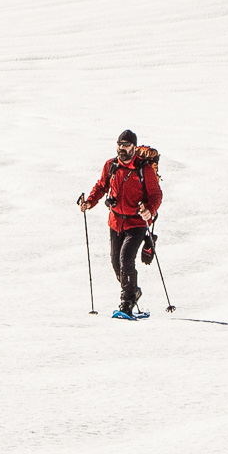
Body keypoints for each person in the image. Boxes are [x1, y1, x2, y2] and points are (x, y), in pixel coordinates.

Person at [78, 130, 162, 317]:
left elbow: (156, 194)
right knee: (116, 264)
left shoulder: (144, 169)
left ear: (134, 147)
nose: (122, 148)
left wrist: (150, 210)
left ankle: (126, 303)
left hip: (137, 223)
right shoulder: (111, 165)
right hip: (115, 222)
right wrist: (90, 202)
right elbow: (101, 186)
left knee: (126, 260)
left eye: (126, 145)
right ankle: (133, 291)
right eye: (119, 144)